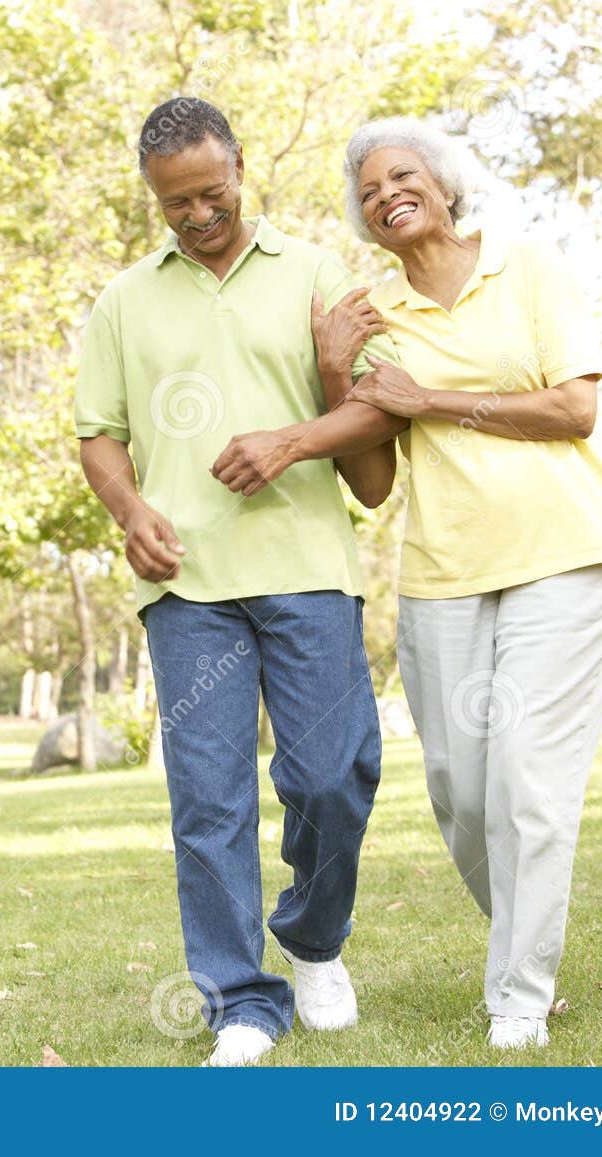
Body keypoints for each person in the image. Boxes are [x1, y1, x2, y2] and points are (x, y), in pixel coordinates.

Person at [220, 116, 602, 1050]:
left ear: (444, 184)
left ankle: (519, 998)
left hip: (561, 555)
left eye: (402, 175)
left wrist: (433, 400)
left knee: (528, 783)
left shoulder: (525, 268)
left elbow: (576, 408)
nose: (385, 195)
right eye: (366, 191)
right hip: (444, 573)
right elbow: (372, 483)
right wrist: (335, 374)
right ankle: (525, 940)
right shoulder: (378, 318)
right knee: (463, 795)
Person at [74, 96, 405, 1067]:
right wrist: (131, 513)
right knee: (208, 801)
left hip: (306, 568)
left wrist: (290, 437)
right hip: (188, 591)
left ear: (241, 168)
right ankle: (240, 1003)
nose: (195, 216)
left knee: (333, 772)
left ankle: (309, 934)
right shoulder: (124, 302)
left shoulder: (314, 274)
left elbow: (380, 416)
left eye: (209, 194)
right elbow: (100, 434)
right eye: (173, 204)